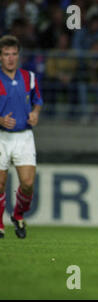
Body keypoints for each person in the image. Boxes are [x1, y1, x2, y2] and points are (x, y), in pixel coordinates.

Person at [0, 35, 43, 239]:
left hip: (24, 136)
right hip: (1, 136)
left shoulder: (29, 77)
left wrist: (35, 113)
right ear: (0, 57)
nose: (10, 58)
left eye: (14, 54)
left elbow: (38, 101)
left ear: (18, 56)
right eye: (6, 54)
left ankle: (18, 215)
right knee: (0, 183)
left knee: (27, 183)